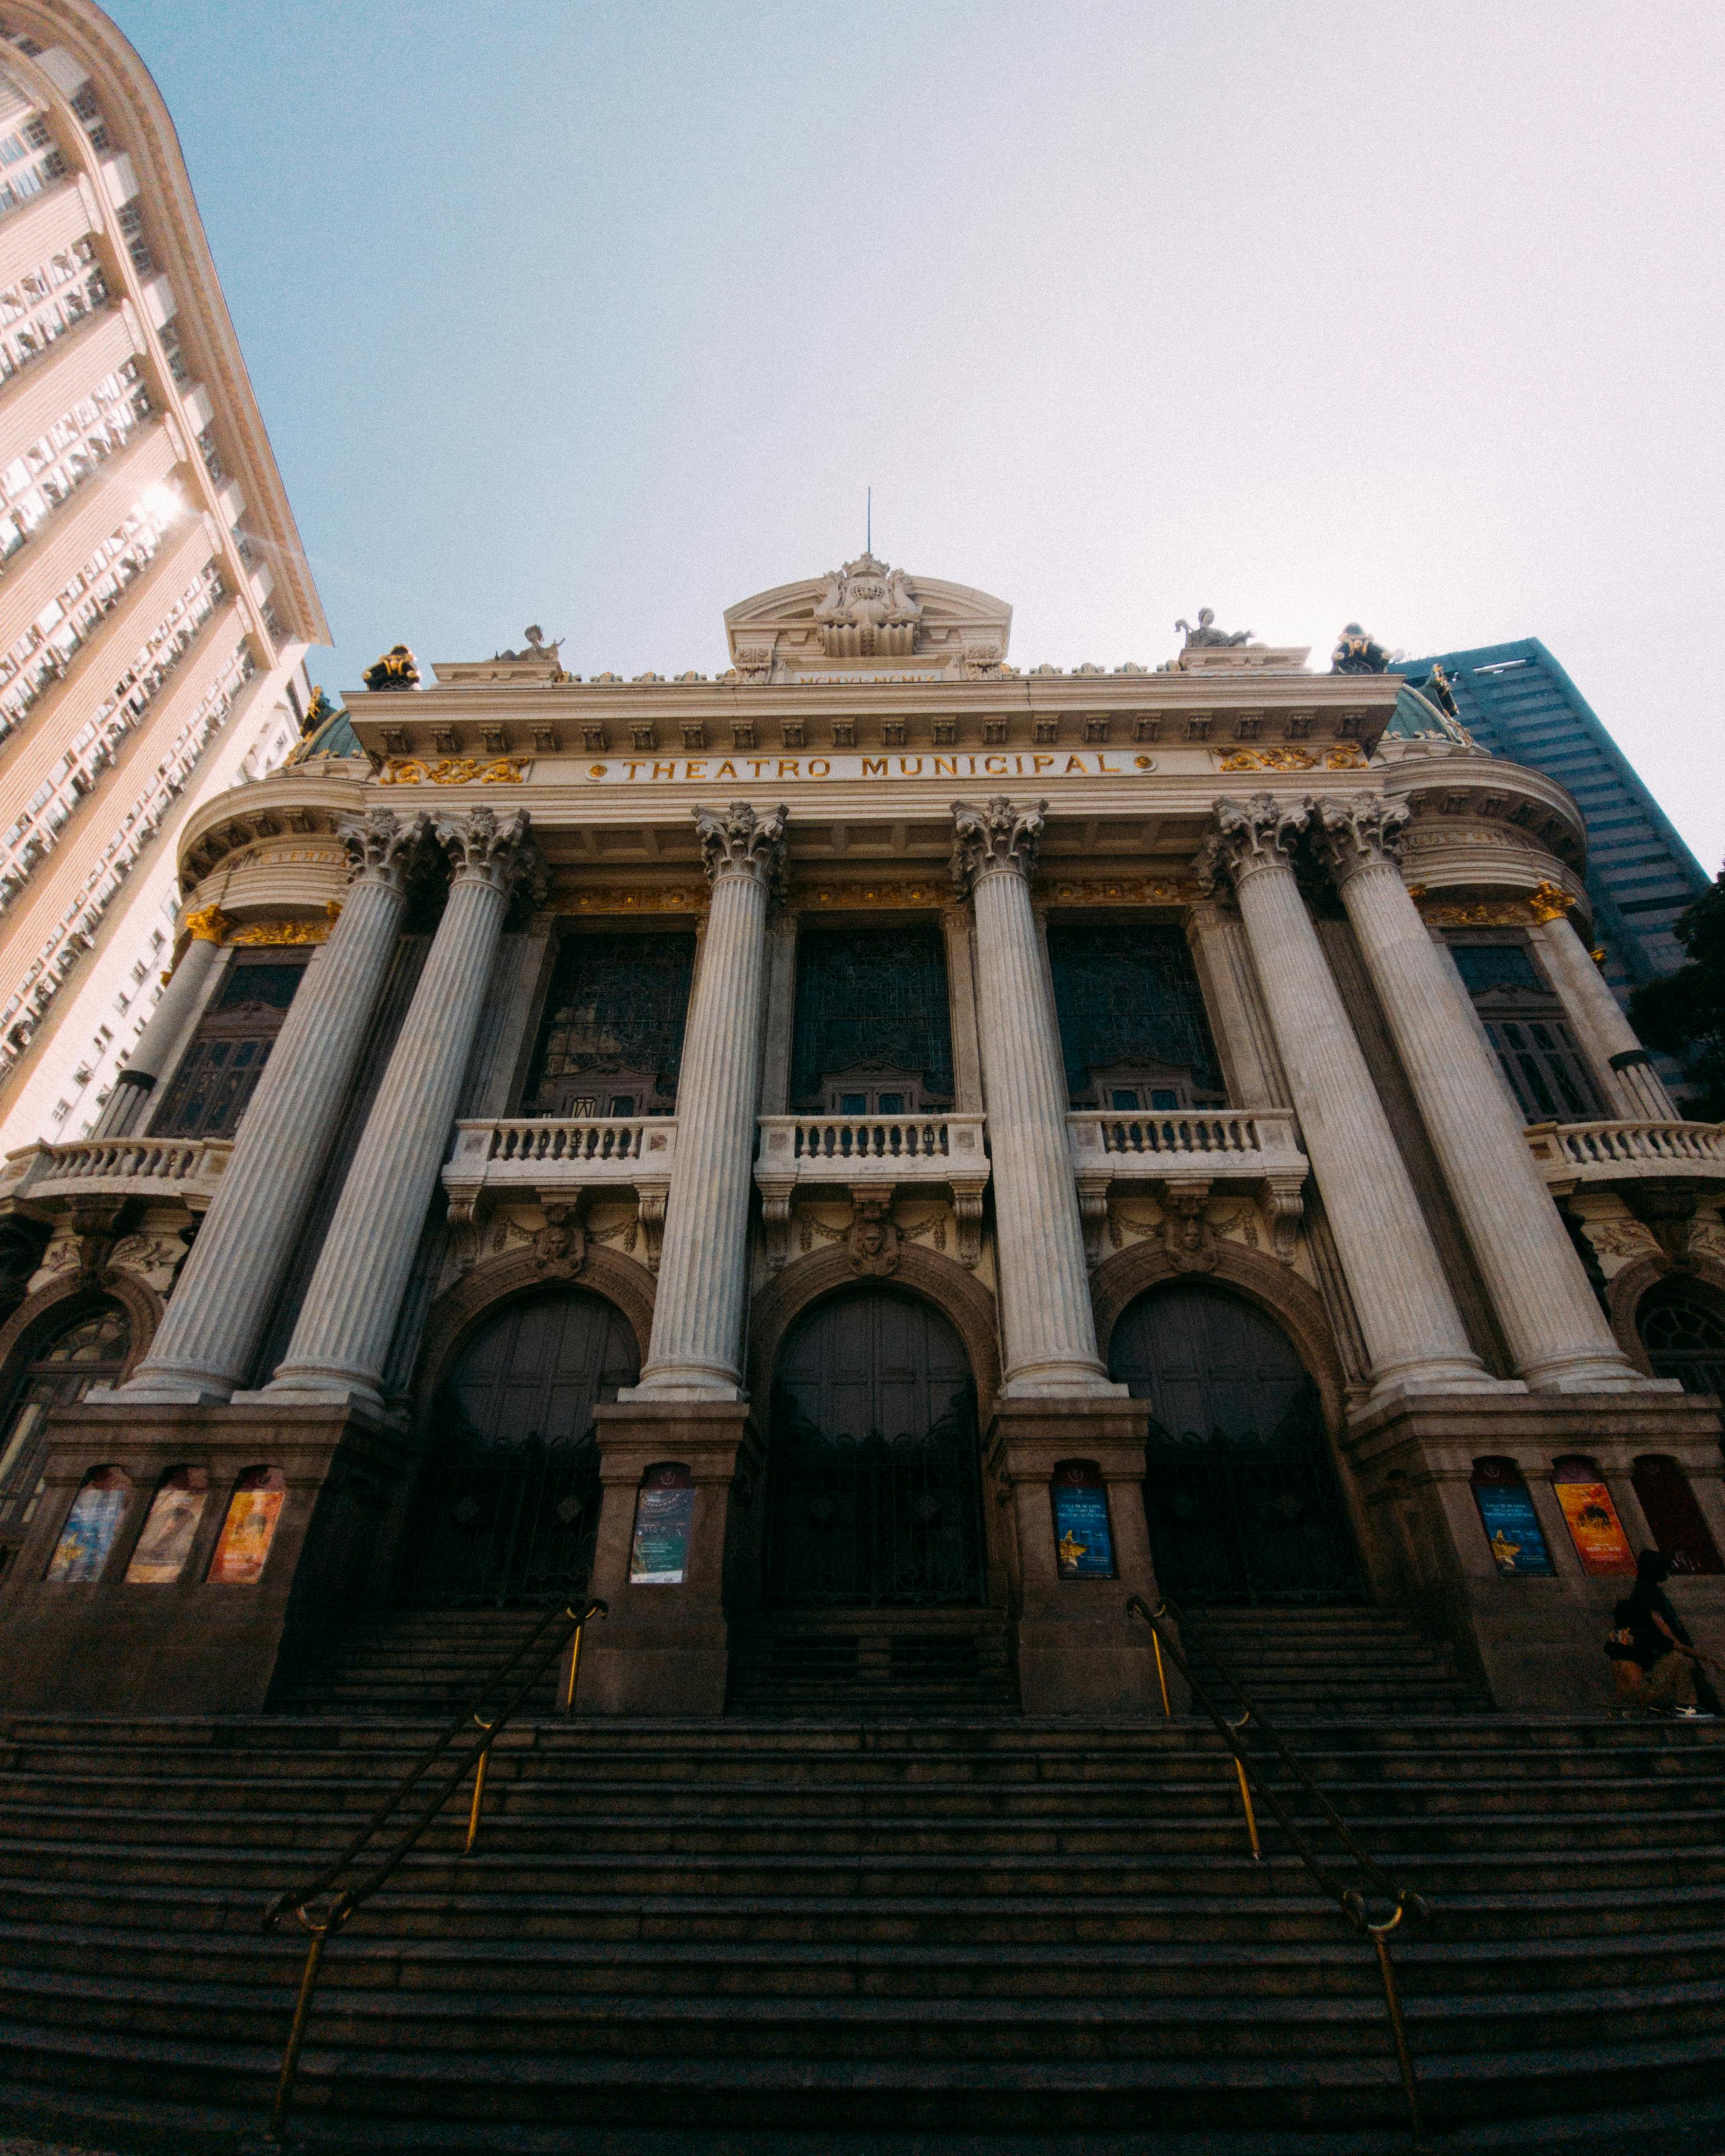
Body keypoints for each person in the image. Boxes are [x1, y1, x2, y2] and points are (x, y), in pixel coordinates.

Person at [1605, 1550, 1716, 1716]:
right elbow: (1673, 1643)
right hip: (1644, 1690)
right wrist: (1708, 1659)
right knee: (1678, 1659)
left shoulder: (1617, 1638)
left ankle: (1651, 1704)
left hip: (1627, 1692)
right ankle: (1686, 1705)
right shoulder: (1645, 1631)